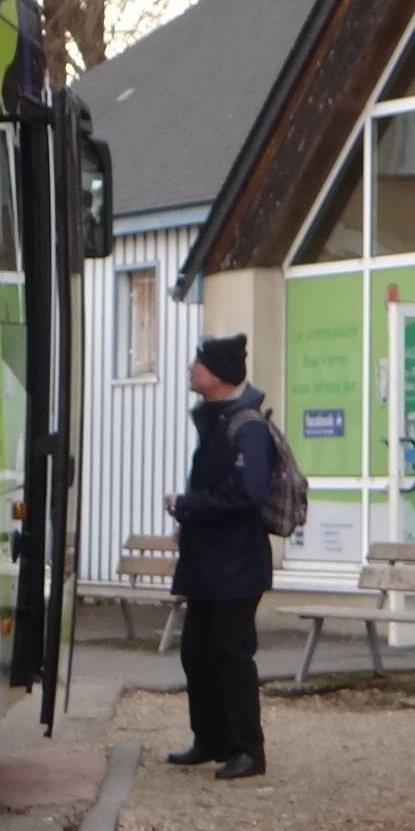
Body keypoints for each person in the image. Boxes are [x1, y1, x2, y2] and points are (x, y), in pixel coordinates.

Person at [167, 333, 273, 780]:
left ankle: (247, 750)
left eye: (199, 362)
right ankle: (209, 738)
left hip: (236, 565)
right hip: (209, 564)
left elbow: (249, 494)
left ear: (218, 375)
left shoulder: (245, 425)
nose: (191, 367)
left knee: (231, 654)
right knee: (196, 652)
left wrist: (188, 506)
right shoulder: (217, 419)